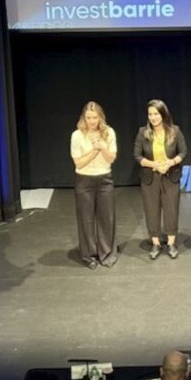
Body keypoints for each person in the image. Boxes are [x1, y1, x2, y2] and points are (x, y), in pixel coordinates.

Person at [134, 99, 187, 260]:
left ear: (163, 114)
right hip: (150, 177)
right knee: (152, 211)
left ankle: (171, 243)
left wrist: (170, 162)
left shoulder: (175, 131)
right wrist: (153, 165)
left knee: (171, 209)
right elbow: (137, 155)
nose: (153, 117)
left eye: (156, 114)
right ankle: (156, 243)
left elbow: (183, 152)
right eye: (150, 114)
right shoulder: (143, 132)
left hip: (170, 176)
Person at [70, 101, 118, 269]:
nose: (91, 121)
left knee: (106, 218)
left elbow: (111, 158)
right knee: (86, 219)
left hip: (104, 179)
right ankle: (89, 255)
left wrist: (103, 148)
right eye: (88, 117)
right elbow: (79, 163)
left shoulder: (109, 133)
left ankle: (107, 253)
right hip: (84, 180)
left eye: (94, 117)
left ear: (100, 118)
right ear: (84, 118)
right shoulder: (77, 135)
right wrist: (95, 150)